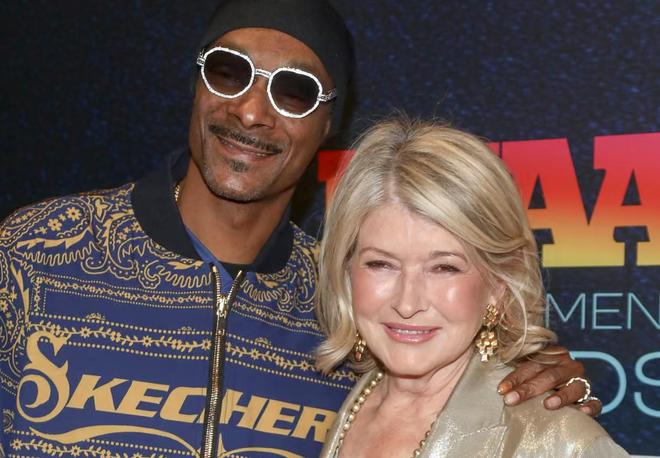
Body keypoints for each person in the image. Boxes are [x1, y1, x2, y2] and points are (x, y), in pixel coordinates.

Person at [0, 1, 597, 457]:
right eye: (230, 72)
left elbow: (452, 388)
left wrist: (537, 390)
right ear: (197, 84)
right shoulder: (36, 252)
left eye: (294, 91)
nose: (250, 110)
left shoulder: (343, 305)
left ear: (328, 122)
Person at [316, 117, 628, 457]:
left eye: (444, 268)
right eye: (381, 264)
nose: (407, 303)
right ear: (346, 271)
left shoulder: (559, 443)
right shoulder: (326, 393)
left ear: (499, 284)